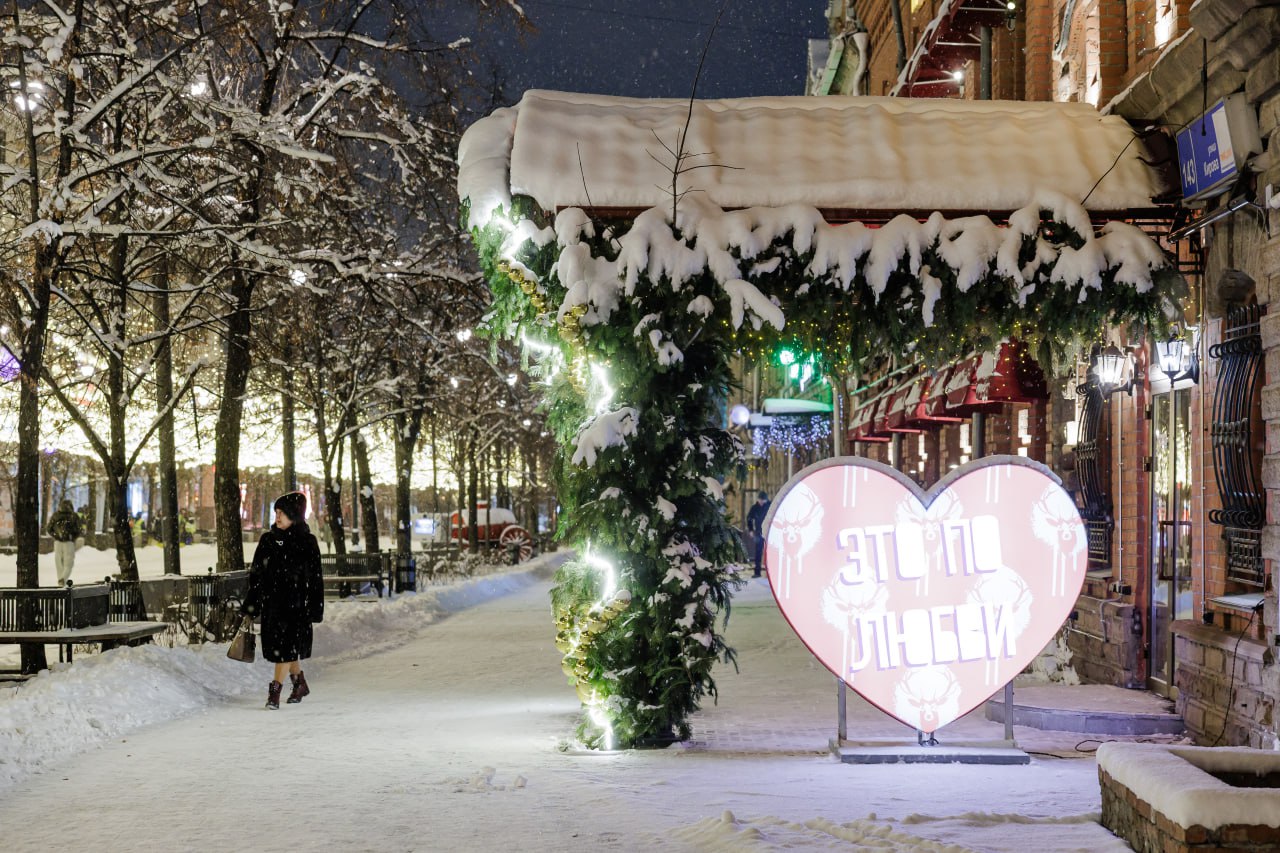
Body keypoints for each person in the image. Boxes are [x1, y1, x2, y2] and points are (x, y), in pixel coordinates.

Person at [243, 491, 324, 710]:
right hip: (273, 605)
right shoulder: (268, 540)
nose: (277, 517)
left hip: (296, 607)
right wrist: (253, 602)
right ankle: (299, 684)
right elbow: (256, 574)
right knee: (284, 649)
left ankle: (274, 692)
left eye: (283, 513)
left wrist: (315, 607)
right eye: (276, 512)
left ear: (294, 515)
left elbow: (315, 579)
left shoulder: (307, 542)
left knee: (286, 648)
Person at [47, 499, 84, 585]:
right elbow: (79, 529)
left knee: (58, 562)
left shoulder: (56, 515)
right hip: (69, 542)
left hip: (58, 542)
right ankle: (63, 579)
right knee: (69, 563)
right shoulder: (73, 516)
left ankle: (60, 579)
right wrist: (72, 537)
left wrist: (56, 536)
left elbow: (49, 528)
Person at [745, 490, 770, 578]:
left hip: (769, 533)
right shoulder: (754, 508)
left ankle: (770, 573)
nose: (762, 502)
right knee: (758, 552)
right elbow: (749, 518)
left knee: (770, 552)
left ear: (766, 500)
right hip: (759, 532)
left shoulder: (770, 506)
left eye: (763, 500)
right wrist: (751, 530)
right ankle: (757, 572)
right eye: (760, 500)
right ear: (758, 499)